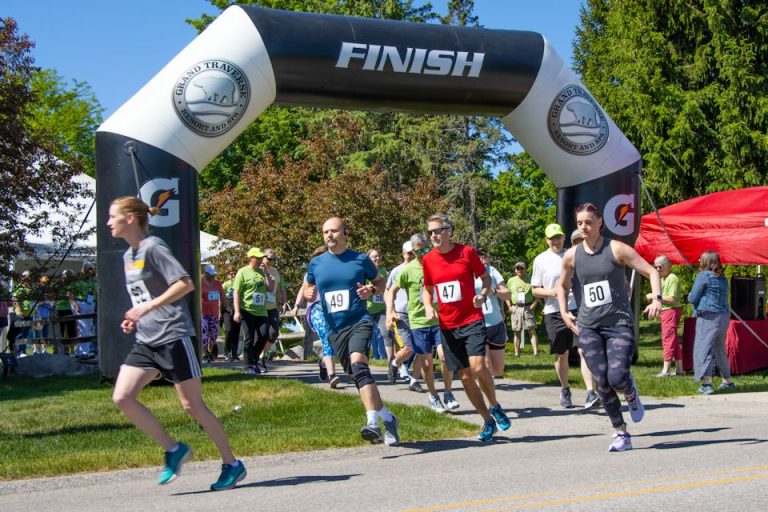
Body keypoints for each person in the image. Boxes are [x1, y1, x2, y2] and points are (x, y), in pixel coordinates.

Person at [107, 196, 245, 490]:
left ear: (130, 218)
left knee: (192, 406)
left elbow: (185, 283)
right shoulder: (127, 256)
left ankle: (232, 464)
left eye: (112, 216)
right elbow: (143, 295)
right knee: (122, 397)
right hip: (146, 340)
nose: (108, 222)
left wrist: (147, 309)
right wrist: (136, 316)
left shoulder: (154, 247)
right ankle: (173, 449)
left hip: (174, 335)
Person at [557, 202, 662, 452]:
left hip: (618, 324)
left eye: (589, 222)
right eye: (580, 222)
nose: (584, 226)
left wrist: (656, 298)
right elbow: (562, 286)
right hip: (588, 326)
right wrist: (564, 313)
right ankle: (620, 432)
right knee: (601, 381)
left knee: (616, 377)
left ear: (600, 222)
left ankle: (630, 390)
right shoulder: (572, 255)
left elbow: (651, 271)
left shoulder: (616, 249)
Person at [305, 217, 400, 445]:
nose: (329, 235)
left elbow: (380, 282)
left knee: (359, 366)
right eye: (326, 231)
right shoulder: (316, 264)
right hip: (335, 328)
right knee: (358, 376)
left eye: (334, 231)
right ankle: (388, 418)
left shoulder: (360, 260)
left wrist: (370, 289)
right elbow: (309, 286)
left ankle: (372, 424)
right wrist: (308, 294)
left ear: (345, 233)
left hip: (359, 321)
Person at [421, 214, 511, 442]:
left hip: (471, 319)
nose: (434, 235)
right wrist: (428, 306)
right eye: (430, 232)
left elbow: (485, 277)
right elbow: (428, 289)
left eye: (438, 230)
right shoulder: (428, 259)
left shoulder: (467, 252)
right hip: (448, 325)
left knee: (479, 367)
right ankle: (487, 420)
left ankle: (495, 405)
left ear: (449, 231)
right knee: (465, 376)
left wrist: (482, 294)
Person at [531, 223, 598, 409]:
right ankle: (565, 388)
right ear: (547, 240)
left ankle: (590, 392)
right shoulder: (541, 260)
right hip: (554, 312)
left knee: (584, 349)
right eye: (552, 238)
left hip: (577, 308)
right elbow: (535, 290)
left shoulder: (573, 254)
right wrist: (552, 292)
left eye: (559, 237)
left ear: (563, 237)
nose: (556, 241)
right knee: (562, 354)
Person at [387, 234, 450, 413]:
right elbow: (391, 291)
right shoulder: (406, 270)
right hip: (417, 320)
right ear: (412, 252)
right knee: (425, 361)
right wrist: (390, 311)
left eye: (425, 249)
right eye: (418, 251)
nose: (423, 253)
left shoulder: (439, 263)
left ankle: (448, 392)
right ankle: (433, 395)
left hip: (440, 319)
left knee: (444, 356)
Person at [293, 246, 341, 389]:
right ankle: (332, 375)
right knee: (326, 338)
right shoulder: (313, 270)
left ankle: (323, 363)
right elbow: (304, 288)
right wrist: (296, 305)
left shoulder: (337, 270)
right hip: (317, 308)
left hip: (334, 310)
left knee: (334, 341)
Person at [688, 251, 734, 395]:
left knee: (704, 348)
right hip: (723, 317)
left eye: (701, 258)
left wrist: (689, 296)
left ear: (706, 261)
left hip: (708, 316)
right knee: (719, 349)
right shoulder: (722, 278)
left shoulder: (703, 276)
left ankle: (707, 384)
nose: (699, 259)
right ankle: (727, 381)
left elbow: (693, 298)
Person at [232, 247, 269, 375]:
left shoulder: (262, 272)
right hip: (247, 310)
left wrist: (267, 273)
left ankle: (253, 359)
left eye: (261, 258)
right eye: (257, 258)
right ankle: (248, 365)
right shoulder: (242, 272)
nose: (260, 260)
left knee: (264, 335)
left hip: (262, 311)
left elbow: (270, 289)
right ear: (250, 258)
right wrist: (237, 311)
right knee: (249, 337)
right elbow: (236, 292)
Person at [383, 241, 416, 384]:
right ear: (403, 254)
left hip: (417, 314)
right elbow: (387, 292)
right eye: (409, 253)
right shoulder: (397, 271)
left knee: (419, 347)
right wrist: (391, 312)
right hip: (401, 314)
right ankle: (395, 363)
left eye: (414, 252)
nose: (411, 255)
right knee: (408, 348)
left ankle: (402, 368)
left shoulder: (421, 269)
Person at [475, 250, 512, 378]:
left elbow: (507, 294)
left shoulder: (492, 271)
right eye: (477, 256)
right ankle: (486, 394)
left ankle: (488, 388)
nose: (480, 259)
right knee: (485, 365)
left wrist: (494, 292)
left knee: (498, 370)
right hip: (477, 323)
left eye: (482, 256)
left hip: (495, 322)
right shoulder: (467, 273)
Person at [647, 255, 683, 377]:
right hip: (666, 311)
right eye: (655, 267)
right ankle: (680, 369)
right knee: (674, 340)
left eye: (659, 267)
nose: (657, 270)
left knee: (667, 339)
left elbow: (671, 299)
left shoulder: (672, 278)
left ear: (668, 266)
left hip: (671, 311)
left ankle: (665, 370)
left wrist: (654, 296)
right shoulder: (663, 279)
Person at [260, 248, 287, 371]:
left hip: (272, 306)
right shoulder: (257, 270)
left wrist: (281, 302)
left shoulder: (275, 271)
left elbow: (278, 288)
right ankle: (256, 358)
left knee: (273, 333)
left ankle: (262, 354)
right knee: (262, 334)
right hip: (259, 308)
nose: (271, 261)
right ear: (263, 257)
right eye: (269, 259)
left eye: (274, 259)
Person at [505, 262, 539, 357]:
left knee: (532, 330)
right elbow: (507, 294)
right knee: (517, 331)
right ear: (515, 270)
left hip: (528, 307)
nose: (519, 270)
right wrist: (509, 306)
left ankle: (536, 352)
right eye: (517, 268)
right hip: (516, 307)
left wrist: (534, 304)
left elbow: (537, 293)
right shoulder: (511, 280)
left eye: (521, 268)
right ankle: (516, 353)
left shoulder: (531, 280)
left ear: (525, 269)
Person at [365, 248, 388, 360]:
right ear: (369, 259)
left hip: (381, 308)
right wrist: (369, 288)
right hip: (368, 309)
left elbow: (387, 289)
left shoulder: (383, 272)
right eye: (374, 256)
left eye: (378, 256)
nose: (377, 258)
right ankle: (376, 356)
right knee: (372, 334)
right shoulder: (364, 272)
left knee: (384, 332)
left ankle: (384, 356)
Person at [201, 264, 225, 362]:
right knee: (204, 334)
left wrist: (226, 306)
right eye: (211, 274)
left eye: (214, 274)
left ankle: (209, 351)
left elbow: (222, 296)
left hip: (214, 313)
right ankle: (203, 354)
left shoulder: (218, 284)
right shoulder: (200, 283)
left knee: (214, 335)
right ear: (205, 273)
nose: (213, 276)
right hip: (203, 313)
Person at [221, 270, 240, 361]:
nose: (233, 275)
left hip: (237, 308)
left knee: (236, 331)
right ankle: (226, 351)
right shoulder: (225, 284)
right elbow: (220, 296)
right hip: (227, 309)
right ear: (228, 276)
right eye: (231, 274)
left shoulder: (239, 283)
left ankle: (235, 353)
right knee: (229, 330)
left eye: (234, 273)